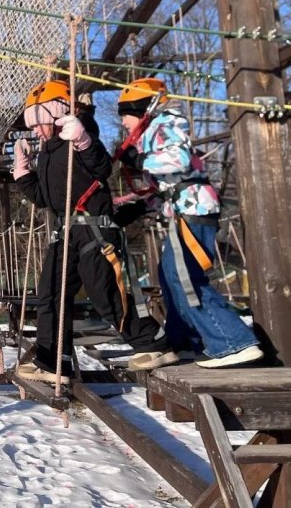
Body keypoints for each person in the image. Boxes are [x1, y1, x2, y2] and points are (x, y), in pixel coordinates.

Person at [12, 80, 173, 384]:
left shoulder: (81, 132)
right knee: (50, 295)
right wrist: (23, 174)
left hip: (92, 231)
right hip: (66, 232)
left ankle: (153, 342)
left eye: (39, 123)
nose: (35, 130)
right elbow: (47, 198)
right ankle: (52, 359)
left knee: (105, 293)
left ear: (55, 115)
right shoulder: (48, 152)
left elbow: (100, 168)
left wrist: (84, 141)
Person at [115, 77, 263, 369]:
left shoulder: (165, 122)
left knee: (185, 277)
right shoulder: (152, 131)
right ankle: (186, 340)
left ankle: (233, 341)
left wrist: (140, 159)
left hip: (194, 208)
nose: (123, 124)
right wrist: (136, 205)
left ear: (142, 108)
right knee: (170, 276)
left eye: (125, 116)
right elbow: (170, 183)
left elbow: (179, 160)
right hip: (183, 209)